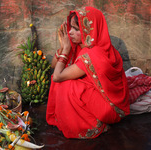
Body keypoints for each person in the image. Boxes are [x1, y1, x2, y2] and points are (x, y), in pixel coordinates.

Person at [46, 6, 130, 139]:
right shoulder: (83, 44)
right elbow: (53, 66)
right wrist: (63, 47)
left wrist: (66, 49)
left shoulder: (92, 53)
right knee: (64, 81)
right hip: (100, 100)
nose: (70, 33)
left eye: (76, 29)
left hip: (110, 109)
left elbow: (57, 76)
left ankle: (92, 124)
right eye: (71, 28)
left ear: (90, 30)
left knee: (65, 84)